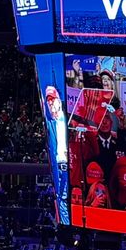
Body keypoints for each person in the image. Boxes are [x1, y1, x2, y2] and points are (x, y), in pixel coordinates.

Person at [42, 86, 70, 224]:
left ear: (59, 100)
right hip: (59, 165)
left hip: (71, 164)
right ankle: (65, 224)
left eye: (53, 99)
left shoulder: (69, 120)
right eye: (48, 101)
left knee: (69, 196)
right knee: (61, 197)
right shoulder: (50, 124)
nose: (51, 103)